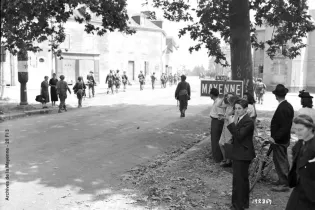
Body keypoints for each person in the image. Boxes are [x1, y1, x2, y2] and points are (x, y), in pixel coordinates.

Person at [227, 99, 255, 210]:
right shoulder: (239, 118)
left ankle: (238, 206)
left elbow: (239, 135)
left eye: (239, 108)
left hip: (243, 154)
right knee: (240, 180)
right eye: (236, 108)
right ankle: (241, 204)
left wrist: (231, 124)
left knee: (239, 181)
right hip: (239, 153)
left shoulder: (248, 121)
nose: (237, 111)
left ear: (245, 109)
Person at [285, 115, 315, 210]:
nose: (296, 133)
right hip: (300, 186)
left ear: (310, 128)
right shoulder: (300, 143)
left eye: (300, 130)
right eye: (295, 129)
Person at [270, 84, 294, 192]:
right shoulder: (286, 106)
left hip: (280, 140)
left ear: (276, 96)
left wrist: (275, 138)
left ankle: (284, 184)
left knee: (281, 161)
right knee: (281, 159)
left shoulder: (283, 108)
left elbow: (284, 127)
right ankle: (283, 180)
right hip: (283, 139)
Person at [219, 93, 238, 167]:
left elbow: (233, 120)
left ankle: (228, 161)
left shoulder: (235, 109)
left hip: (230, 128)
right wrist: (223, 97)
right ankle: (225, 159)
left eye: (229, 98)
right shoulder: (228, 106)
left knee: (228, 144)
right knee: (221, 143)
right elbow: (219, 105)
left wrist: (224, 118)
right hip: (225, 126)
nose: (227, 99)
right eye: (227, 97)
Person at [209, 88, 225, 163]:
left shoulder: (218, 102)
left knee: (216, 139)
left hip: (217, 122)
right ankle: (216, 156)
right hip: (215, 121)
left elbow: (220, 115)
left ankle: (218, 157)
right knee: (214, 139)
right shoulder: (216, 101)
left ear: (211, 95)